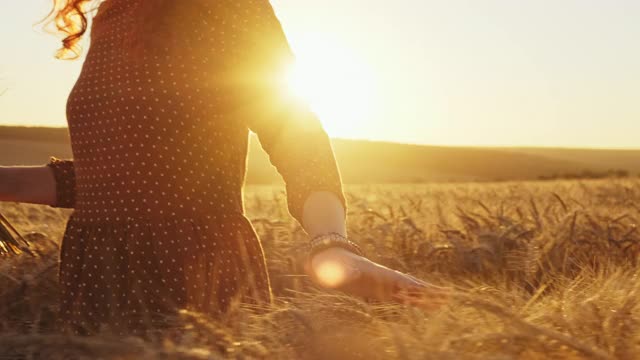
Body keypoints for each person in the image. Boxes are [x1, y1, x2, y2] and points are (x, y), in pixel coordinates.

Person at [0, 0, 446, 335]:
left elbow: (292, 129)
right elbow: (122, 175)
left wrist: (331, 243)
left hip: (189, 269)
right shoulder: (112, 13)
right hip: (96, 274)